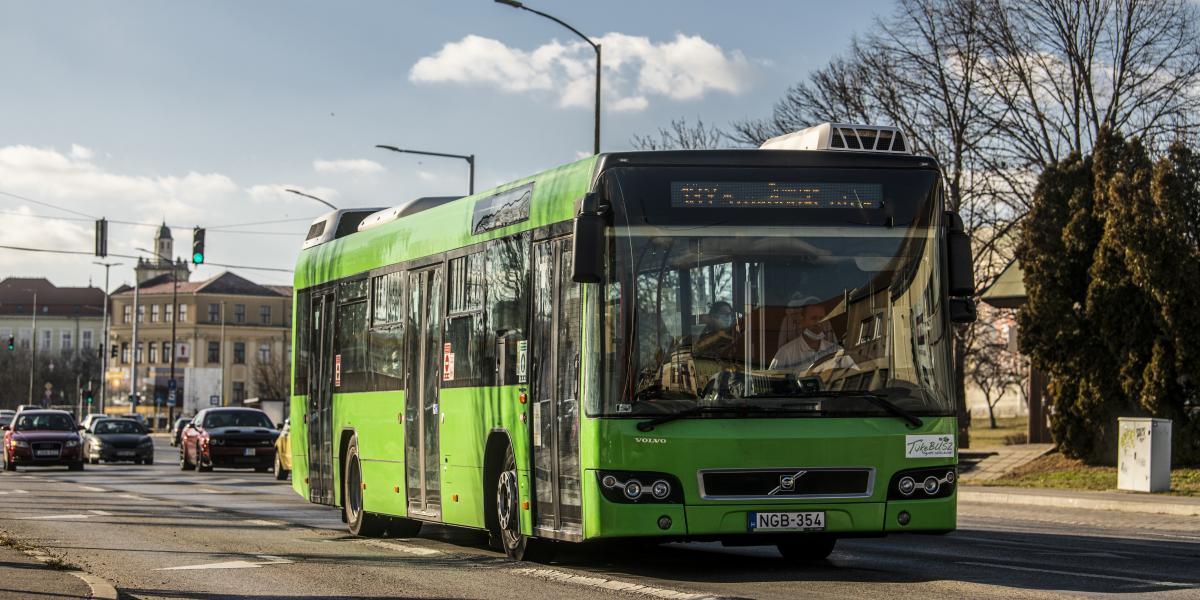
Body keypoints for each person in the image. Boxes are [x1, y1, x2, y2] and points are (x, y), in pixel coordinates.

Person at [769, 299, 840, 373]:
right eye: (814, 318)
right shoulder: (786, 354)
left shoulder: (837, 352)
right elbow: (772, 381)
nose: (818, 323)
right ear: (802, 320)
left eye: (821, 318)